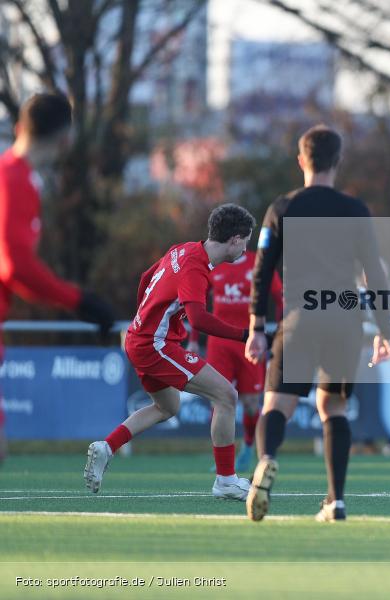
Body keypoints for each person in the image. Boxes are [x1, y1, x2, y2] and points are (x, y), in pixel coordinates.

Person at [244, 125, 390, 522]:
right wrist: (385, 329)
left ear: (301, 161)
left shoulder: (281, 208)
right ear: (337, 162)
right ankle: (336, 500)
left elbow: (261, 272)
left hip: (299, 318)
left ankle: (267, 460)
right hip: (345, 321)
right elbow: (374, 275)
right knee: (334, 407)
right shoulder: (355, 211)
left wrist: (257, 327)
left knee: (276, 405)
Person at [83, 204, 258, 500]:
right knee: (226, 395)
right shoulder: (195, 268)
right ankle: (226, 481)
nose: (245, 249)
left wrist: (144, 318)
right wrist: (246, 334)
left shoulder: (184, 249)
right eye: (246, 241)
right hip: (154, 344)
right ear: (235, 240)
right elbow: (200, 319)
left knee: (167, 408)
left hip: (140, 339)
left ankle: (107, 447)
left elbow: (145, 278)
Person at [0, 93, 116, 467]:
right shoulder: (14, 179)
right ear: (66, 138)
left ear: (20, 126)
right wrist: (79, 300)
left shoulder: (15, 176)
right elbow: (15, 267)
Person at [187, 249, 283, 472]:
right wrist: (193, 340)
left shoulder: (258, 262)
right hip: (219, 344)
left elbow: (280, 299)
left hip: (250, 343)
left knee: (251, 404)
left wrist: (279, 334)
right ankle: (222, 458)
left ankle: (248, 448)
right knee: (218, 397)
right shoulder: (215, 264)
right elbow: (196, 303)